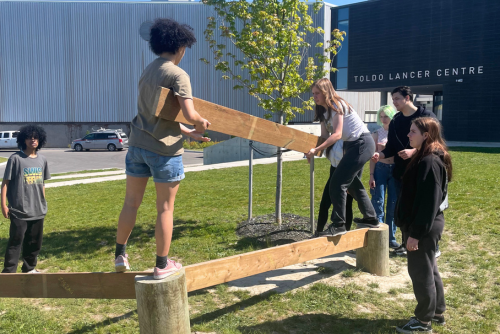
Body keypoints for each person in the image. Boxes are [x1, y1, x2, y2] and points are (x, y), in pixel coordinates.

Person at [114, 18, 210, 280]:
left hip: (137, 147)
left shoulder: (148, 71)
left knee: (131, 203)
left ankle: (120, 254)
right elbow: (190, 114)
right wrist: (201, 123)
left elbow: (158, 115)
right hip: (164, 153)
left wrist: (189, 133)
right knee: (165, 209)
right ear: (180, 46)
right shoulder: (178, 74)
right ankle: (162, 264)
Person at [395, 117, 451, 333]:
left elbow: (429, 202)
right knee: (429, 269)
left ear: (426, 135)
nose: (408, 135)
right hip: (425, 224)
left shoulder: (429, 161)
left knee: (421, 273)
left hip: (423, 226)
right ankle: (436, 312)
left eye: (412, 132)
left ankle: (423, 321)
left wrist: (415, 234)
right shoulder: (425, 156)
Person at [307, 78, 379, 237]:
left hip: (362, 143)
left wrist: (316, 149)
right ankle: (371, 218)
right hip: (351, 145)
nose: (315, 97)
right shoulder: (324, 113)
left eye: (317, 93)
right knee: (352, 183)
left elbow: (337, 134)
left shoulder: (337, 106)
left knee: (337, 183)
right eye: (313, 93)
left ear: (326, 91)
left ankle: (339, 224)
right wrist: (312, 151)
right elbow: (325, 136)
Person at [372, 86, 437, 255]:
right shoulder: (396, 121)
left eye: (397, 99)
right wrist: (380, 155)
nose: (394, 102)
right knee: (404, 208)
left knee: (423, 208)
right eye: (392, 99)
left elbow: (435, 143)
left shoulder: (427, 117)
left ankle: (431, 245)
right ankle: (405, 242)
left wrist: (414, 151)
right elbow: (392, 147)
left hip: (423, 170)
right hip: (401, 172)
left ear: (408, 98)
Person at [1, 125, 50, 274]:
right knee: (15, 242)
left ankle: (29, 268)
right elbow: (5, 183)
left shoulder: (42, 160)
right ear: (23, 140)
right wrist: (3, 205)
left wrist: (43, 202)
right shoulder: (15, 158)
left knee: (34, 242)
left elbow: (42, 184)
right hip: (18, 210)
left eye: (35, 137)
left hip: (38, 210)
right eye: (29, 137)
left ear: (40, 139)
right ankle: (9, 272)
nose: (33, 139)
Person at [369, 105, 400, 249]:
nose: (383, 119)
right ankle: (379, 234)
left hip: (394, 169)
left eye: (386, 116)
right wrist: (371, 175)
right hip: (380, 169)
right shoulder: (376, 133)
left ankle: (391, 237)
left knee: (393, 203)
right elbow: (372, 157)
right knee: (378, 201)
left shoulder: (396, 132)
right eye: (381, 116)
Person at [314, 140, 357, 236]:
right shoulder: (334, 138)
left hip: (347, 174)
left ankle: (345, 234)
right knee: (325, 203)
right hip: (334, 171)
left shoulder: (351, 139)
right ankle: (318, 233)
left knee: (347, 205)